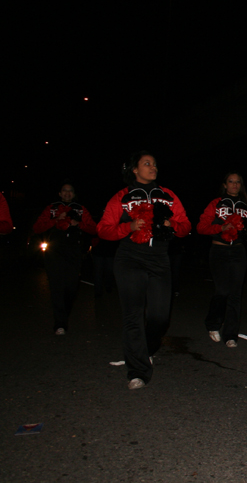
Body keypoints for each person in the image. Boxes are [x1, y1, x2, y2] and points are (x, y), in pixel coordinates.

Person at [97, 151, 191, 389]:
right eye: (147, 164)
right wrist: (127, 226)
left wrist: (174, 225)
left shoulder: (168, 195)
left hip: (160, 258)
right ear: (135, 170)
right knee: (133, 315)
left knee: (159, 317)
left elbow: (186, 225)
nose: (153, 167)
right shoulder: (121, 196)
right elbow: (104, 229)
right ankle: (138, 371)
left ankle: (144, 350)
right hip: (130, 256)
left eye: (155, 164)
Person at [197, 172, 247, 348]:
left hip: (238, 251)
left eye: (237, 182)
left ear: (241, 185)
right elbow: (201, 227)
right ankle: (213, 322)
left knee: (235, 293)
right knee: (222, 290)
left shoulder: (246, 206)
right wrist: (221, 227)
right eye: (231, 182)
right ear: (225, 184)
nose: (234, 185)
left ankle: (231, 334)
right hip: (219, 250)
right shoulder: (215, 203)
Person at [32, 182, 97, 335]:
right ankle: (60, 323)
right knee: (56, 286)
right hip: (55, 251)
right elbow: (37, 227)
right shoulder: (52, 208)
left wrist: (78, 224)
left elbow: (94, 229)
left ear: (74, 194)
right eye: (64, 191)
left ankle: (64, 314)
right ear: (60, 193)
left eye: (70, 191)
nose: (67, 194)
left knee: (71, 286)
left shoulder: (80, 209)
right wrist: (55, 220)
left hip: (73, 252)